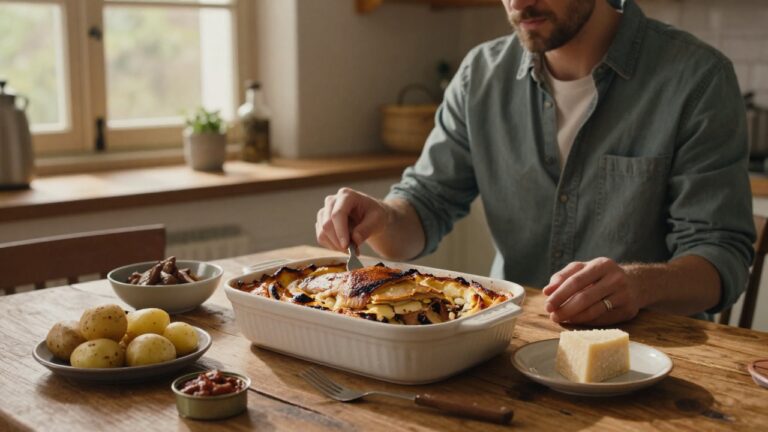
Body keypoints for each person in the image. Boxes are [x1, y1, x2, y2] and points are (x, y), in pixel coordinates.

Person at [315, 0, 755, 325]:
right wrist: (382, 218)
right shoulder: (480, 76)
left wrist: (639, 285)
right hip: (509, 342)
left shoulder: (697, 78)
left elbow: (721, 261)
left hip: (649, 358)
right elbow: (421, 211)